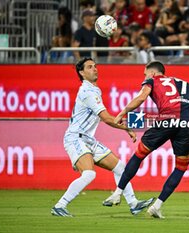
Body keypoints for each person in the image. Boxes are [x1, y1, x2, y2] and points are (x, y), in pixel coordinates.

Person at [103, 60, 189, 218]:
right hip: (186, 123)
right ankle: (157, 206)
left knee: (139, 154)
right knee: (181, 167)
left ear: (152, 73)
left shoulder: (152, 80)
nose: (144, 76)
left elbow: (141, 97)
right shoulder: (184, 83)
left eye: (145, 73)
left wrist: (121, 114)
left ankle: (117, 193)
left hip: (166, 119)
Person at [51, 57, 154, 217]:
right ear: (82, 73)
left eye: (95, 66)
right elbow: (106, 118)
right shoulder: (87, 92)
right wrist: (126, 127)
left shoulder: (94, 90)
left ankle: (134, 204)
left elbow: (106, 118)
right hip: (75, 138)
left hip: (88, 140)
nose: (95, 69)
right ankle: (60, 205)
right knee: (89, 174)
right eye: (90, 67)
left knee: (120, 168)